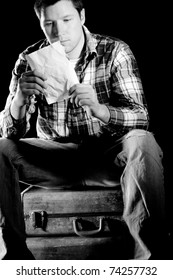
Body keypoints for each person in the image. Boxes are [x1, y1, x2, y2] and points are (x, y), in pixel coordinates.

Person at [0, 0, 166, 260]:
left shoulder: (114, 51)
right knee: (0, 148)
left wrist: (101, 110)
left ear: (82, 16)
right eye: (49, 23)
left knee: (142, 141)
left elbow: (141, 117)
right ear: (40, 24)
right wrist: (19, 101)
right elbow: (9, 134)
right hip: (56, 161)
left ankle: (149, 259)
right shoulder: (28, 59)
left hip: (109, 157)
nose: (59, 31)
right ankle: (14, 259)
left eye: (67, 20)